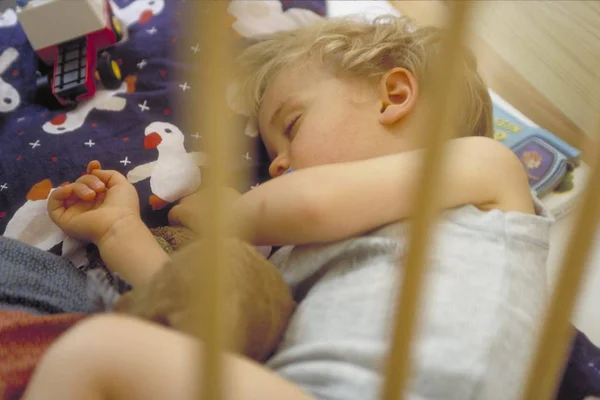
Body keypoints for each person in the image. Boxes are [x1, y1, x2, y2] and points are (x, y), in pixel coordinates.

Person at [23, 16, 552, 400]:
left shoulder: (485, 169)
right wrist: (119, 229)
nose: (276, 168)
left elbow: (314, 205)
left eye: (293, 127)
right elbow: (203, 319)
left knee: (100, 348)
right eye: (274, 154)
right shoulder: (298, 259)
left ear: (393, 95)